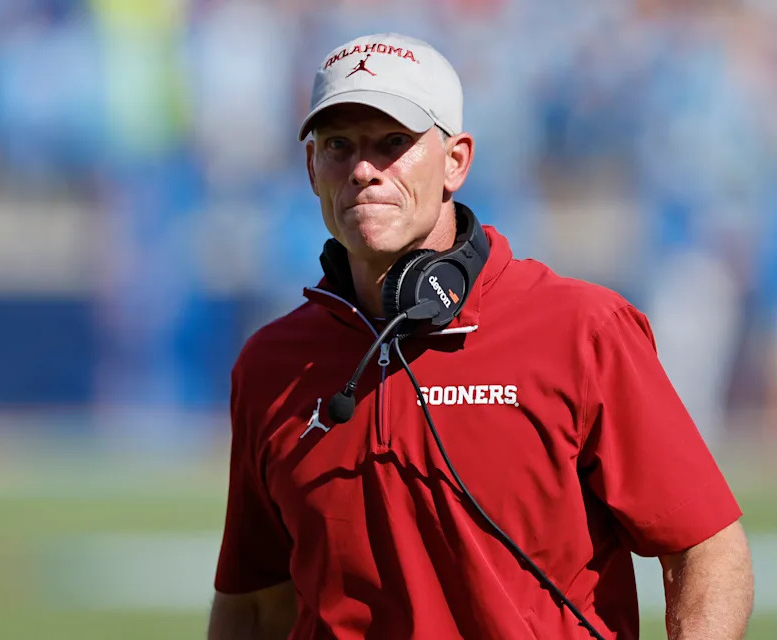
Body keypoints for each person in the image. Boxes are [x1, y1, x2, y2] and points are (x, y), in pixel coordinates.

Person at [208, 33, 754, 640]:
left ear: (456, 161)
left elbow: (707, 550)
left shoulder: (582, 330)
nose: (364, 170)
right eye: (339, 146)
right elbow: (256, 604)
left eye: (394, 144)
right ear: (312, 168)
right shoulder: (270, 365)